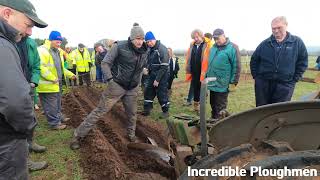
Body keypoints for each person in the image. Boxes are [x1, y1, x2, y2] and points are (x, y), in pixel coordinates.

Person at [70, 23, 148, 150]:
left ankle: (131, 135)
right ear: (132, 38)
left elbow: (139, 69)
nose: (140, 41)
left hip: (132, 88)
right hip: (116, 85)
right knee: (100, 111)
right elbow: (105, 63)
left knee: (132, 114)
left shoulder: (145, 50)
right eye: (137, 38)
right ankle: (78, 135)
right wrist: (110, 80)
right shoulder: (119, 46)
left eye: (142, 38)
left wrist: (138, 84)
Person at [0, 0, 47, 178]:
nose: (29, 32)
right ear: (7, 14)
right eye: (28, 25)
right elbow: (15, 103)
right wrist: (27, 127)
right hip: (6, 140)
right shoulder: (3, 45)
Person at [250, 16, 308, 106]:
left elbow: (303, 62)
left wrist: (294, 79)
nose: (276, 30)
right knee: (262, 110)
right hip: (264, 84)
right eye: (273, 28)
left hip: (285, 85)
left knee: (279, 111)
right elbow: (254, 60)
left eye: (279, 27)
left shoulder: (297, 42)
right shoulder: (265, 44)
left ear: (286, 25)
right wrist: (256, 77)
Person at [17, 37, 48, 171]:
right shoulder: (5, 40)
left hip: (28, 85)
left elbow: (36, 64)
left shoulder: (30, 43)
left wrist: (34, 81)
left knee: (29, 117)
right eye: (28, 25)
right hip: (11, 87)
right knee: (15, 122)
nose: (30, 31)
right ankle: (23, 161)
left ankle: (30, 143)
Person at [37, 31, 76, 130]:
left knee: (58, 102)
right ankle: (54, 124)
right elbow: (40, 67)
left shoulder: (57, 51)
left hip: (56, 83)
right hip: (47, 84)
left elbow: (61, 68)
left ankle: (58, 117)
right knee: (51, 105)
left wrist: (70, 74)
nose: (58, 44)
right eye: (56, 41)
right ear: (50, 40)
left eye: (60, 42)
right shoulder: (42, 50)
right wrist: (52, 78)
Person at [206, 29, 241, 120]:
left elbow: (236, 66)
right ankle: (213, 120)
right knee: (213, 104)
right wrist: (206, 77)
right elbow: (210, 64)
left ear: (224, 35)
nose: (216, 41)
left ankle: (220, 125)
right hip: (212, 83)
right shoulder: (213, 48)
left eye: (218, 38)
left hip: (222, 84)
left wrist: (234, 82)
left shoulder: (233, 48)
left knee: (220, 107)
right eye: (215, 39)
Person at [142, 31, 170, 118]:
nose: (149, 43)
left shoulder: (162, 49)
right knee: (148, 91)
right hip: (152, 74)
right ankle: (147, 110)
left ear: (154, 39)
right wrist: (147, 68)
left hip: (162, 75)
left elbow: (164, 66)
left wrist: (157, 80)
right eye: (147, 42)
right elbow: (150, 62)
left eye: (150, 41)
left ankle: (165, 112)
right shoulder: (151, 49)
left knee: (161, 93)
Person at [185, 29, 212, 112]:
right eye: (194, 37)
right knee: (195, 88)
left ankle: (201, 107)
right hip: (194, 71)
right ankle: (196, 107)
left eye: (197, 37)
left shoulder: (207, 45)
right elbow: (189, 58)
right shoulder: (192, 46)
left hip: (203, 71)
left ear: (201, 35)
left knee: (202, 89)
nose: (196, 39)